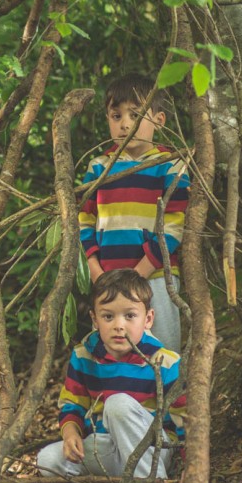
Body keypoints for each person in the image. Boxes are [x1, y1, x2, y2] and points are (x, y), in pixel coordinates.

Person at [36, 269, 186, 483]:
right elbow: (72, 405)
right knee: (47, 459)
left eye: (129, 316)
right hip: (104, 445)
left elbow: (184, 419)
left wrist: (190, 467)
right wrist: (71, 433)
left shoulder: (164, 361)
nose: (119, 326)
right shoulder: (84, 355)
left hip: (153, 449)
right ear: (94, 319)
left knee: (117, 403)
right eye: (108, 317)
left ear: (148, 319)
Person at [79, 72, 190, 352]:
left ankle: (167, 397)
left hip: (155, 277)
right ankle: (114, 396)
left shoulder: (170, 165)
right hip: (107, 278)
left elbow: (176, 225)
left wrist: (139, 273)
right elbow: (83, 221)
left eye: (136, 115)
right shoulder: (98, 167)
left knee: (162, 349)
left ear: (159, 120)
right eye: (116, 116)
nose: (125, 124)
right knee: (112, 349)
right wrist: (95, 270)